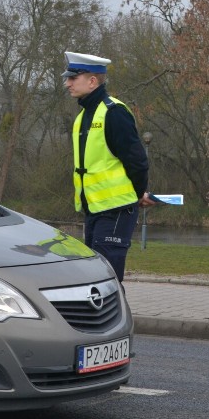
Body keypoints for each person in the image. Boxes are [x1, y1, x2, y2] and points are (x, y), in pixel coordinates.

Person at [62, 51, 158, 282]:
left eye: (73, 78)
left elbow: (137, 162)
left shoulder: (114, 113)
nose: (67, 84)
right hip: (94, 211)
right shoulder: (84, 116)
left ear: (92, 81)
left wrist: (135, 196)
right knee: (97, 278)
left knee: (107, 280)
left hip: (115, 210)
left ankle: (117, 319)